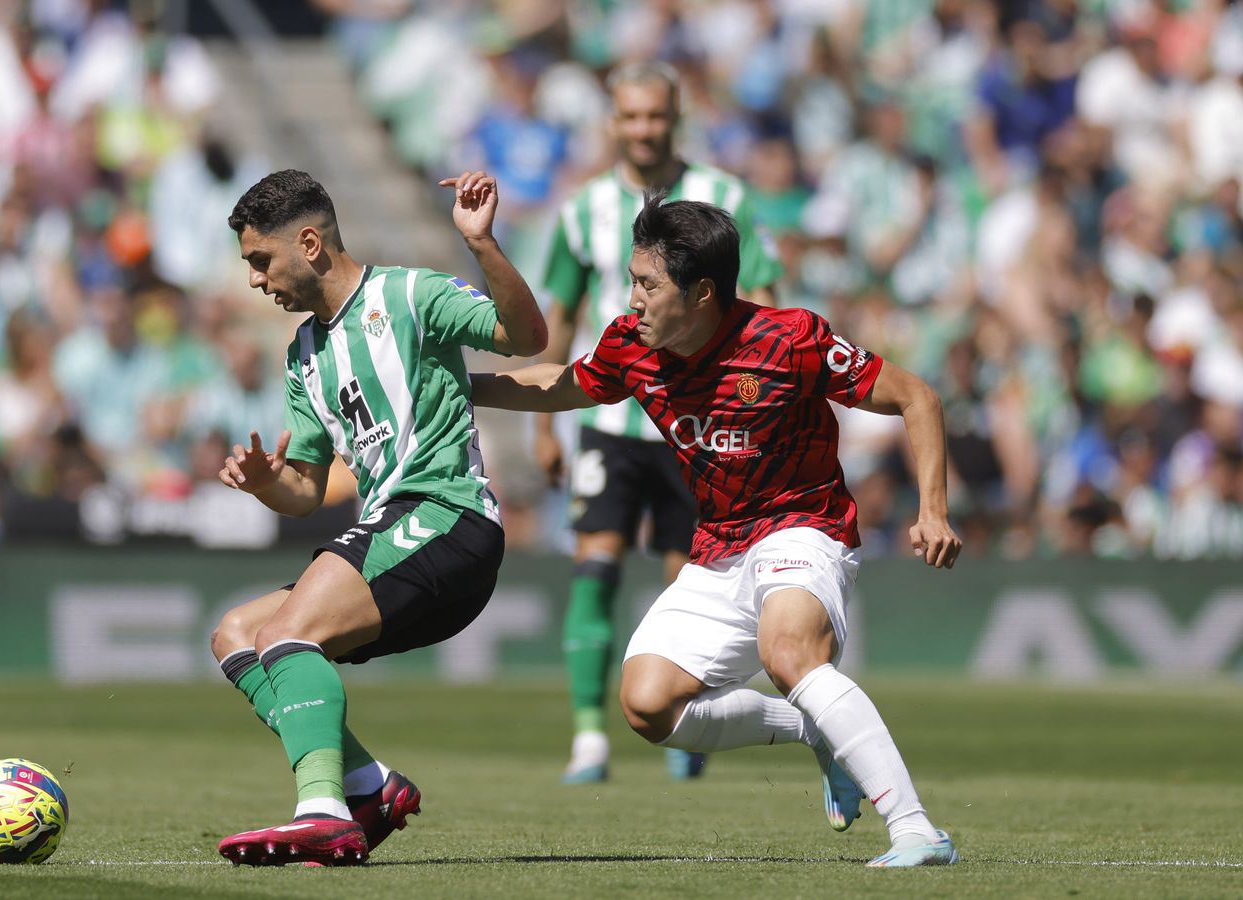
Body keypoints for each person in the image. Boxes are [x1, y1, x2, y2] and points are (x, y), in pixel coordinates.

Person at [471, 195, 961, 867]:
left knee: (789, 653)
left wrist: (931, 508)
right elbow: (558, 385)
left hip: (803, 528)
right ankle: (818, 729)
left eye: (647, 284)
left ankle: (916, 830)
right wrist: (460, 384)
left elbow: (918, 397)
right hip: (719, 549)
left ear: (701, 293)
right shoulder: (630, 347)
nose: (633, 298)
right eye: (632, 280)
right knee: (646, 705)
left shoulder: (790, 340)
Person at [209, 168, 546, 867]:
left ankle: (323, 812)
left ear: (309, 242)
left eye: (259, 260)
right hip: (395, 532)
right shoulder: (304, 355)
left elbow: (525, 335)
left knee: (287, 634)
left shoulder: (412, 296)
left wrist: (482, 246)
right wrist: (269, 484)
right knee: (237, 634)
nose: (254, 280)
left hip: (448, 518)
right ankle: (367, 787)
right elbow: (305, 487)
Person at [538, 61, 785, 783]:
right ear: (613, 121)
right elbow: (560, 314)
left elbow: (764, 294)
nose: (644, 129)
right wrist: (545, 424)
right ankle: (588, 738)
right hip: (611, 419)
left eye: (656, 116)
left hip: (697, 426)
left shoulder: (724, 197)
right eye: (631, 116)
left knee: (689, 582)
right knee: (596, 566)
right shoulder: (582, 210)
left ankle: (691, 725)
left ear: (677, 118)